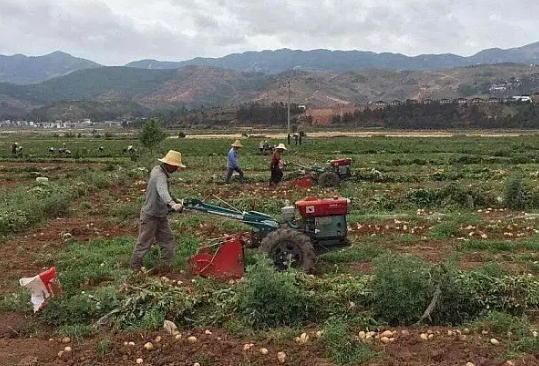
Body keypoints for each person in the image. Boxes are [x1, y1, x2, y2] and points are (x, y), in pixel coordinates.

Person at [130, 150, 186, 271]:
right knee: (144, 242)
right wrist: (172, 204)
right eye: (176, 166)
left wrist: (177, 200)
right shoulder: (160, 176)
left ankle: (166, 265)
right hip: (150, 215)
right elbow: (162, 191)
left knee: (167, 239)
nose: (177, 169)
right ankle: (134, 268)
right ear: (170, 165)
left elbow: (167, 191)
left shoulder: (157, 169)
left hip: (160, 214)